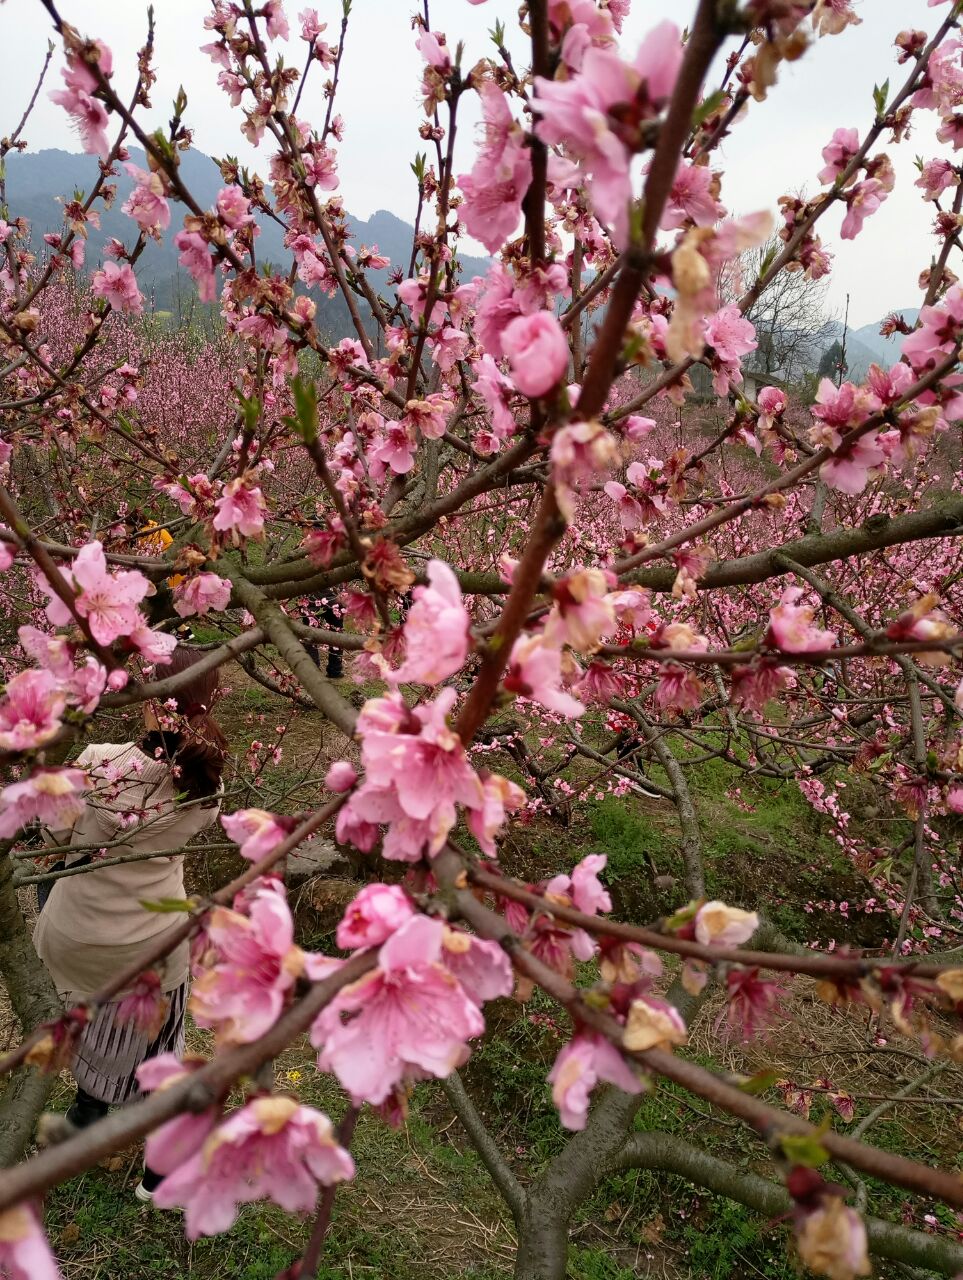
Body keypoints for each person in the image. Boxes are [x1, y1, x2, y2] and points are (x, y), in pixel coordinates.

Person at [33, 647, 227, 1202]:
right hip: (149, 945)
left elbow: (50, 846)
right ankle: (160, 1171)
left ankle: (90, 1109)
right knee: (162, 1047)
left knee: (87, 1017)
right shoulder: (204, 783)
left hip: (74, 937)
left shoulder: (96, 761)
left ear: (149, 699)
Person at [301, 590, 343, 679]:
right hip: (334, 599)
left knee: (310, 637)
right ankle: (335, 669)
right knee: (337, 636)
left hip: (311, 600)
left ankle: (314, 671)